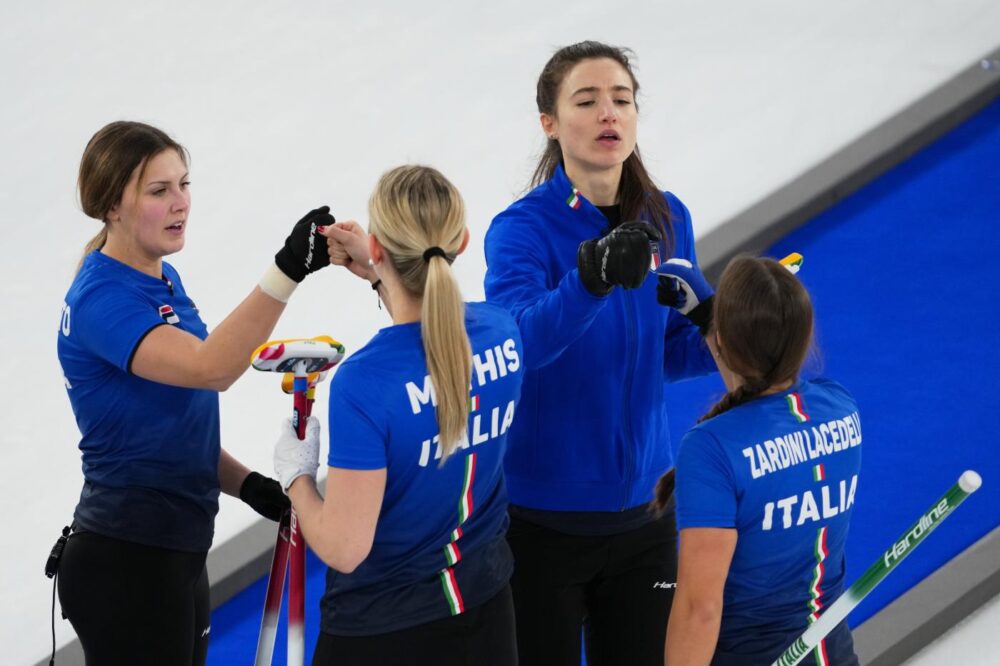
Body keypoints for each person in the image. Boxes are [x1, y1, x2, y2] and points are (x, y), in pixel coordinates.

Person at [55, 120, 334, 666]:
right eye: (159, 191)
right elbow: (211, 368)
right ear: (112, 204)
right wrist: (287, 270)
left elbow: (169, 426)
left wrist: (246, 483)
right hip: (128, 562)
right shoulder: (101, 301)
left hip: (176, 552)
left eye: (184, 184)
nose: (180, 203)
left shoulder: (162, 279)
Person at [482, 41, 718, 666]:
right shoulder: (521, 230)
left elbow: (668, 353)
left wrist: (724, 330)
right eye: (586, 101)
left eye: (622, 99)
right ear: (550, 124)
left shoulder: (669, 218)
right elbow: (519, 347)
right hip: (540, 523)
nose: (608, 113)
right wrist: (589, 282)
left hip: (647, 515)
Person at [273, 165, 524, 666]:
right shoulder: (503, 331)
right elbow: (434, 342)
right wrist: (382, 274)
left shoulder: (365, 384)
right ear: (464, 241)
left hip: (383, 631)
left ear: (379, 248)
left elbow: (345, 549)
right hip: (487, 610)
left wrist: (297, 477)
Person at [656, 255, 861, 666]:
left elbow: (700, 608)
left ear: (725, 342)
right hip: (833, 653)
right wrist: (713, 321)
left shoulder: (711, 448)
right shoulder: (841, 407)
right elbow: (758, 381)